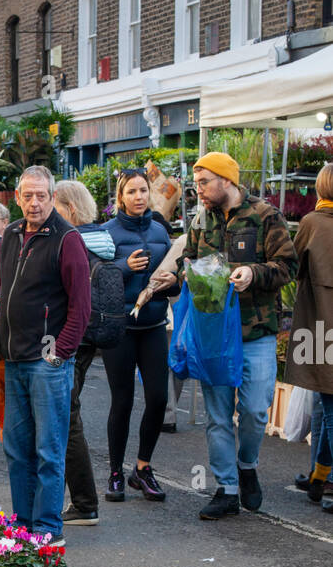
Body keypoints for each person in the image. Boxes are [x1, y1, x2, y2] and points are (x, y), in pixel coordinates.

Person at [185, 151, 297, 519]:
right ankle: (226, 488)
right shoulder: (200, 220)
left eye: (204, 182)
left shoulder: (266, 215)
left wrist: (252, 273)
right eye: (195, 183)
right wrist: (175, 277)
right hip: (214, 333)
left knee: (254, 410)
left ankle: (247, 465)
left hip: (256, 330)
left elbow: (287, 266)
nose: (197, 189)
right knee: (217, 416)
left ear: (226, 180)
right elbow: (188, 260)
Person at [0, 166, 91, 548]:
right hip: (13, 358)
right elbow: (3, 291)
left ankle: (48, 528)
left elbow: (81, 308)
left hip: (46, 362)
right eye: (27, 195)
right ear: (17, 197)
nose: (34, 202)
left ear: (53, 198)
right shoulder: (10, 234)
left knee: (48, 449)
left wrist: (59, 354)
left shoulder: (67, 239)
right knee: (17, 450)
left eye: (41, 196)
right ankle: (22, 524)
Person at [101, 168, 176, 503]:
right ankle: (116, 472)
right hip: (120, 328)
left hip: (154, 325)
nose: (139, 197)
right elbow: (95, 277)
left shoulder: (161, 230)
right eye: (131, 191)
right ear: (121, 196)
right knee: (123, 401)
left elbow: (176, 272)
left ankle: (142, 469)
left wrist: (175, 281)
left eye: (143, 190)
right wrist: (122, 267)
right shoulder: (107, 232)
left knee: (159, 398)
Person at [52, 179, 122, 525]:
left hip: (72, 339)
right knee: (69, 415)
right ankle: (83, 501)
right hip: (93, 336)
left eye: (55, 206)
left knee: (66, 418)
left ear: (70, 210)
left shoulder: (72, 242)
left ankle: (84, 502)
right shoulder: (103, 241)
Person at [284, 162, 333, 515]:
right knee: (324, 404)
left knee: (329, 405)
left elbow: (292, 266)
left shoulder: (313, 223)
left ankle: (327, 479)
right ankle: (320, 476)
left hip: (322, 328)